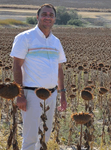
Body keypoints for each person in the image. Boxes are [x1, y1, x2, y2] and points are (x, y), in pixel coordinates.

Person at [10, 3, 67, 150]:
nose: (47, 17)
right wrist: (20, 94)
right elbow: (17, 66)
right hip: (31, 94)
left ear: (54, 19)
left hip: (52, 94)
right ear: (37, 17)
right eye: (44, 14)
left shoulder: (56, 42)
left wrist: (63, 95)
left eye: (51, 15)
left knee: (45, 135)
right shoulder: (25, 37)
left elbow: (59, 68)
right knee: (30, 137)